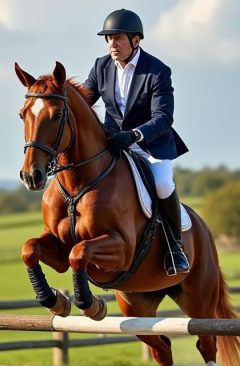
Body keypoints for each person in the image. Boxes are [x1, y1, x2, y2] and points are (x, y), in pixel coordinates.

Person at [83, 9, 190, 275]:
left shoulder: (157, 71)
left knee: (163, 184)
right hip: (113, 143)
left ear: (135, 40)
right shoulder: (101, 67)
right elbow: (83, 102)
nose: (112, 45)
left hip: (150, 144)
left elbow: (163, 118)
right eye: (108, 39)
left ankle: (175, 248)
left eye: (117, 38)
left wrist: (134, 135)